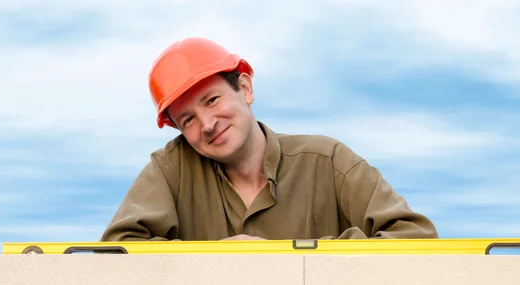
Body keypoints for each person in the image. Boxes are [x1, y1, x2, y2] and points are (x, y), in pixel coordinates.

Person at [100, 37, 438, 241]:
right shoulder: (169, 169)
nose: (206, 124)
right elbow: (118, 251)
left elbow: (416, 237)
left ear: (245, 88)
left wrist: (299, 257)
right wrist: (211, 259)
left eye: (212, 100)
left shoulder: (328, 160)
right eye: (187, 119)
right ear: (176, 129)